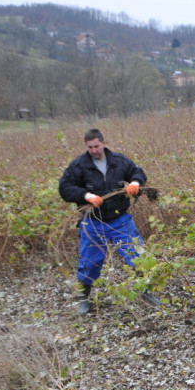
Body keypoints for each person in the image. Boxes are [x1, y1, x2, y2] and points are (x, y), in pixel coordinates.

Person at [58, 129, 161, 315]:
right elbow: (64, 188)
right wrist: (85, 195)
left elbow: (138, 172)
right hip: (93, 222)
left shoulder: (119, 161)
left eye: (96, 146)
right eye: (90, 147)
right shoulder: (78, 166)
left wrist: (136, 183)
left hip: (120, 219)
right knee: (89, 262)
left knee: (137, 256)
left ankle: (146, 293)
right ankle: (84, 299)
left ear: (103, 143)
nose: (94, 150)